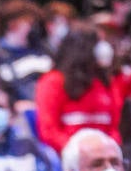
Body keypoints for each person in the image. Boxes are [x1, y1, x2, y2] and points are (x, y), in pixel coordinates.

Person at [34, 24, 119, 154]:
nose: (104, 48)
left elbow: (115, 127)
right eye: (98, 43)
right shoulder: (53, 82)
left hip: (105, 157)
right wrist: (82, 154)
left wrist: (108, 151)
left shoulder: (106, 82)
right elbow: (49, 131)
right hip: (70, 158)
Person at [0, 0, 53, 107]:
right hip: (16, 111)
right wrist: (15, 105)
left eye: (32, 23)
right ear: (12, 24)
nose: (31, 28)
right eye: (28, 23)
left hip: (43, 106)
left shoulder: (43, 50)